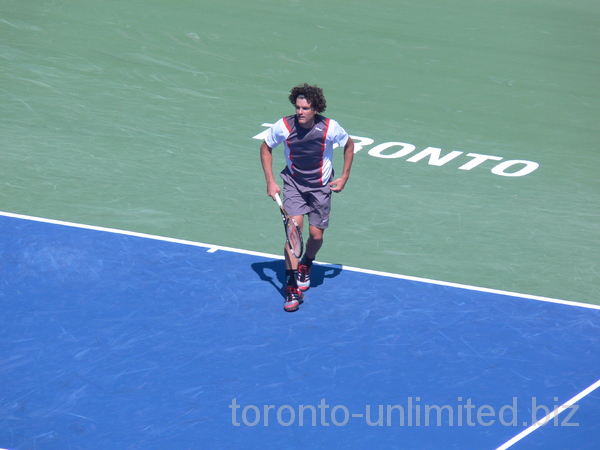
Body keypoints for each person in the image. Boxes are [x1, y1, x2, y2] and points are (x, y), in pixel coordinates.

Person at [260, 83, 355, 312]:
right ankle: (291, 289)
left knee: (315, 236)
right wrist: (271, 181)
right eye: (297, 107)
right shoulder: (284, 126)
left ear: (315, 109)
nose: (300, 112)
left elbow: (349, 145)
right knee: (294, 233)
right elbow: (265, 148)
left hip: (321, 186)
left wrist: (344, 177)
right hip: (293, 184)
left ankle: (307, 264)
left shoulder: (330, 128)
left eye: (305, 108)